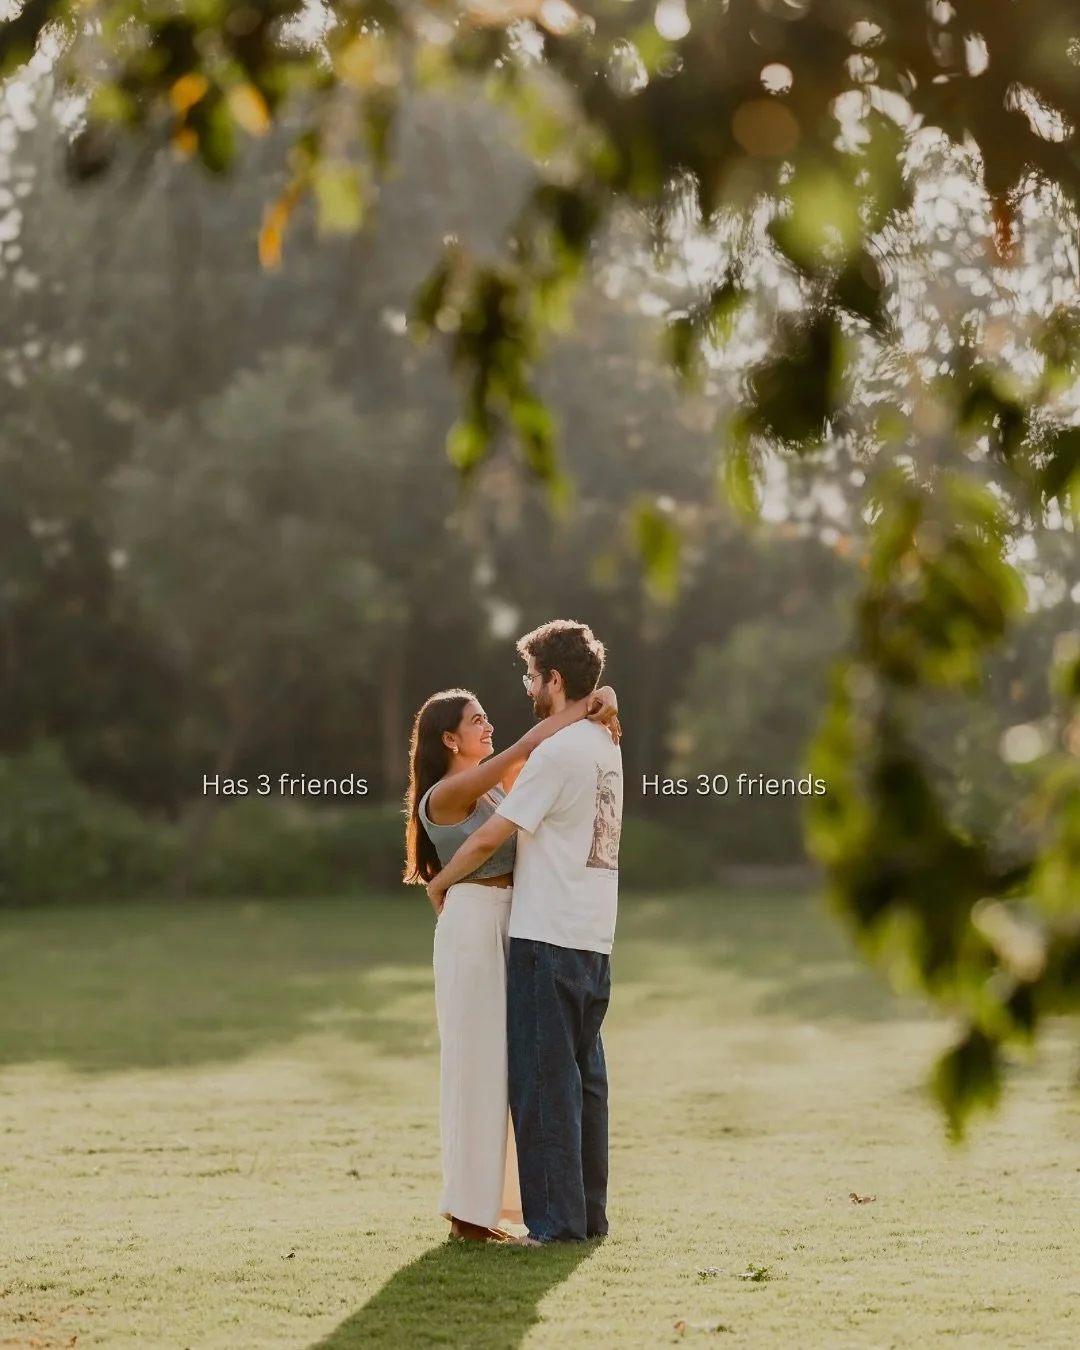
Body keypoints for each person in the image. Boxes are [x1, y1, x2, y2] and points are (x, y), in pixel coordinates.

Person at [427, 620, 624, 1246]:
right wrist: (603, 700)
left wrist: (439, 882)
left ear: (554, 679)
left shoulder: (557, 753)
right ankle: (587, 1218)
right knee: (585, 1084)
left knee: (545, 1086)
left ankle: (557, 1225)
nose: (526, 687)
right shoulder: (605, 743)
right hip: (594, 936)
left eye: (532, 676)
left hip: (547, 934)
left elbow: (491, 835)